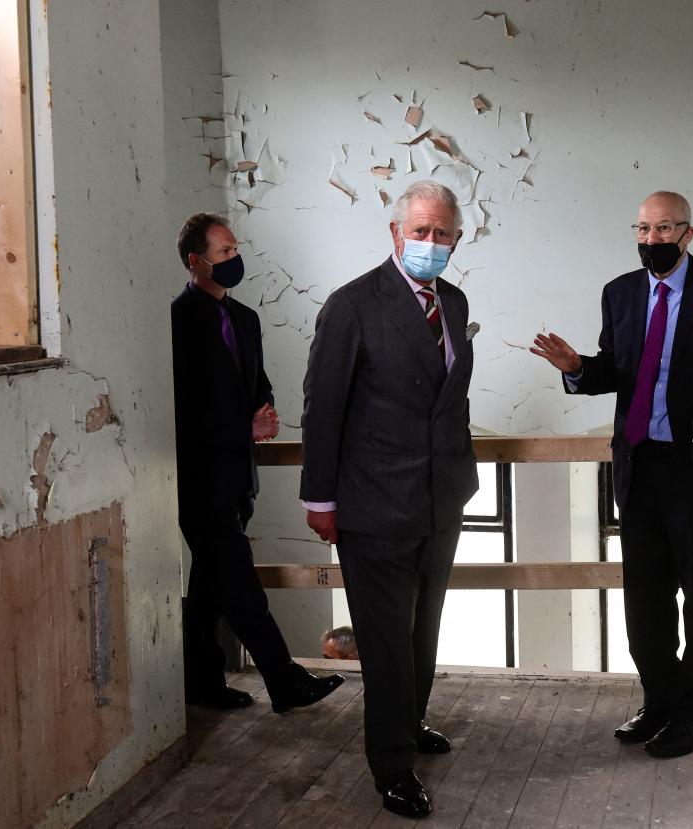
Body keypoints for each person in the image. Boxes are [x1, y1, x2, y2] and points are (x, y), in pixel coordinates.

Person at [531, 191, 693, 759]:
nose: (652, 241)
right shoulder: (619, 293)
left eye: (664, 229)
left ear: (688, 233)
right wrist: (576, 370)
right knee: (645, 601)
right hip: (640, 467)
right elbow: (618, 373)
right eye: (643, 230)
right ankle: (660, 702)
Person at [300, 181, 479, 818]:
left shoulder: (452, 302)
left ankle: (409, 724)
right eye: (421, 231)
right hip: (373, 501)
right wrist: (319, 498)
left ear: (458, 238)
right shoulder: (352, 305)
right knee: (383, 640)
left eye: (443, 234)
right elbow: (323, 408)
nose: (432, 243)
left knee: (423, 627)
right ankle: (391, 765)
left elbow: (448, 400)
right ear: (396, 233)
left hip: (442, 497)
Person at [171, 212, 343, 713]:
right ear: (194, 261)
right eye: (223, 254)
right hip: (200, 480)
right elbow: (181, 409)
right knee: (241, 585)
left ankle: (201, 682)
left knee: (209, 584)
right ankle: (284, 680)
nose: (234, 260)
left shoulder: (245, 318)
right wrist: (242, 429)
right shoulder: (177, 321)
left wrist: (263, 410)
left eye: (234, 250)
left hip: (239, 478)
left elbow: (257, 381)